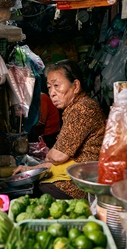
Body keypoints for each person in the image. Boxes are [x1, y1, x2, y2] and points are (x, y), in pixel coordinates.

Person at [13, 59, 106, 199]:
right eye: (49, 87)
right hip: (74, 175)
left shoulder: (82, 109)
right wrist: (30, 169)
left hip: (78, 185)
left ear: (75, 86)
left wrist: (50, 155)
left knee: (31, 194)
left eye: (57, 85)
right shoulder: (75, 107)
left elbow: (58, 156)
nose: (52, 93)